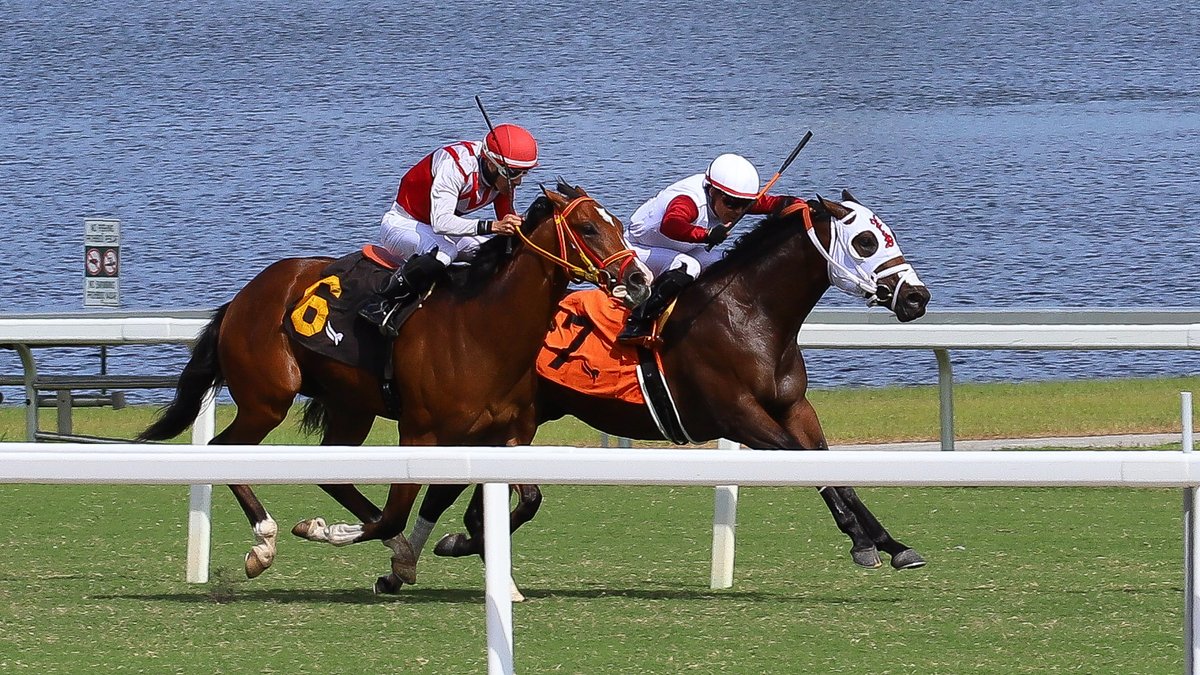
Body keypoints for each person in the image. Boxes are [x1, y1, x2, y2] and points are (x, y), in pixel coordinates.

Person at [358, 123, 539, 336]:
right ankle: (379, 302)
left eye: (523, 174)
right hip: (402, 224)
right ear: (492, 165)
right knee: (446, 253)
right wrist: (491, 226)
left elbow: (507, 221)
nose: (517, 182)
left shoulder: (501, 179)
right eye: (514, 174)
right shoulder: (455, 167)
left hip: (440, 230)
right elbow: (441, 222)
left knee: (493, 252)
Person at [617, 153, 794, 346]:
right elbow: (671, 224)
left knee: (722, 262)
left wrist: (799, 205)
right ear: (712, 192)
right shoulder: (689, 201)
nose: (736, 211)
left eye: (744, 205)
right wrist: (707, 235)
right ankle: (638, 323)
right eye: (731, 204)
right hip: (639, 249)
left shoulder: (726, 197)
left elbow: (771, 203)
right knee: (688, 266)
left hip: (678, 247)